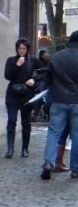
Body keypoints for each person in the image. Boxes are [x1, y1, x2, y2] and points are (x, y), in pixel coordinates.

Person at [40, 30, 78, 179]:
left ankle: (48, 163)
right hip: (76, 101)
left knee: (53, 133)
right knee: (76, 136)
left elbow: (47, 80)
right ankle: (75, 169)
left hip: (58, 100)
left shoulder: (56, 57)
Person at [3, 38, 35, 158]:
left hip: (27, 95)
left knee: (26, 123)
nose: (21, 50)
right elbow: (7, 75)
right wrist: (17, 65)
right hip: (12, 95)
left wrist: (34, 80)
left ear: (27, 49)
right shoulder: (11, 60)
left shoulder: (32, 61)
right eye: (19, 48)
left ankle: (25, 149)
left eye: (24, 48)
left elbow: (44, 72)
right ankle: (10, 149)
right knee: (12, 121)